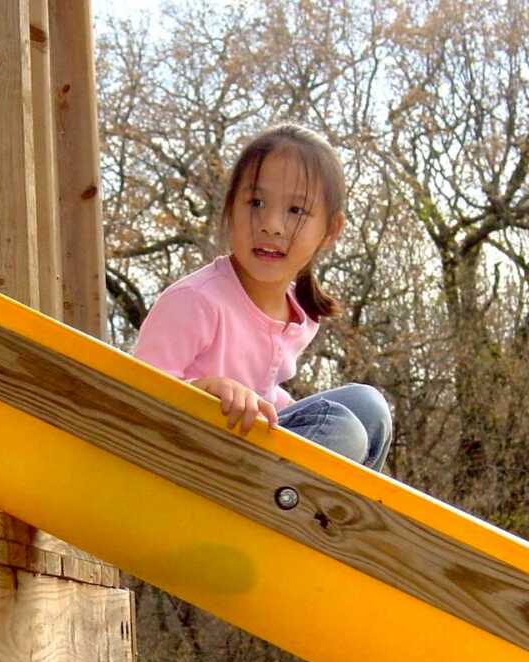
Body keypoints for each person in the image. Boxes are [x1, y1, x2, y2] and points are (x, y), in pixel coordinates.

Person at [133, 123, 392, 472]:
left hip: (246, 452)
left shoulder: (298, 313)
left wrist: (291, 412)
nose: (271, 224)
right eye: (255, 202)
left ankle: (333, 520)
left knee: (368, 406)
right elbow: (135, 395)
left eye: (296, 211)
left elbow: (267, 395)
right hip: (192, 465)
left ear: (331, 231)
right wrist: (202, 389)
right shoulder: (196, 300)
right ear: (230, 209)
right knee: (341, 429)